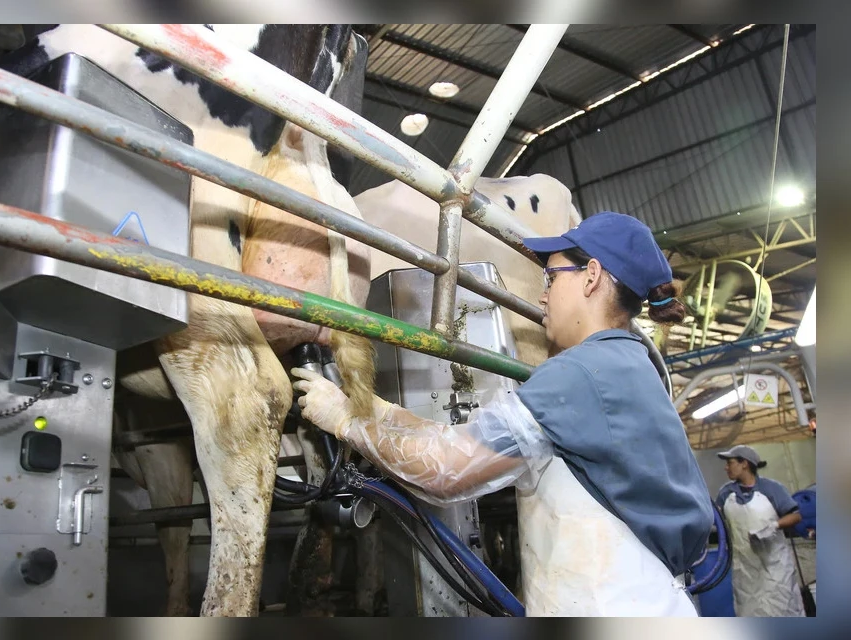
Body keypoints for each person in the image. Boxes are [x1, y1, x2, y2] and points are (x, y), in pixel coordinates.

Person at [292, 212, 713, 616]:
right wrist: (383, 411)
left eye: (552, 277)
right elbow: (460, 442)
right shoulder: (625, 366)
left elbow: (448, 469)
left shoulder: (580, 373)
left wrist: (347, 423)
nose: (542, 294)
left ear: (592, 276)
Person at [714, 444, 805, 616]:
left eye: (730, 463)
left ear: (744, 464)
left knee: (782, 611)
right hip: (745, 568)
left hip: (775, 567)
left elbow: (796, 516)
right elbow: (717, 520)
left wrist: (774, 526)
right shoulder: (726, 493)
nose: (726, 467)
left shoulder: (771, 489)